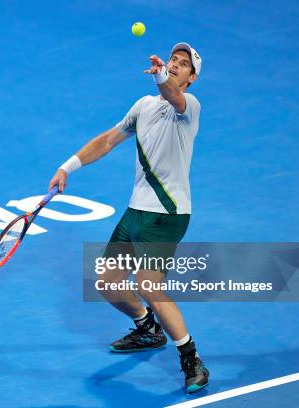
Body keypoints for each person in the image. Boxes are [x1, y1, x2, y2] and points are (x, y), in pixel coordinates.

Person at [48, 43, 209, 393]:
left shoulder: (188, 108)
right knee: (107, 281)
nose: (176, 66)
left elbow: (171, 93)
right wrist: (68, 167)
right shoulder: (144, 107)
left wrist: (163, 77)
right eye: (173, 61)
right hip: (136, 210)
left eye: (184, 66)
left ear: (191, 79)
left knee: (150, 285)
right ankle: (147, 328)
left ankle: (191, 358)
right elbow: (107, 140)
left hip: (166, 215)